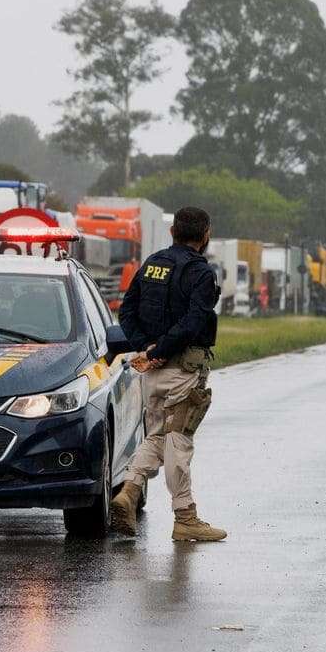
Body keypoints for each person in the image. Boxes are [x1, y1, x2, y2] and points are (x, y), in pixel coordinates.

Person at [111, 206, 226, 542]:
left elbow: (127, 309)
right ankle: (185, 517)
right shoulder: (201, 274)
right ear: (205, 235)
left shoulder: (152, 264)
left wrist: (145, 348)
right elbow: (193, 323)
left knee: (157, 437)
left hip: (151, 373)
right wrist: (159, 350)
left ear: (173, 231)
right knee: (179, 440)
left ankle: (129, 491)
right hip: (181, 371)